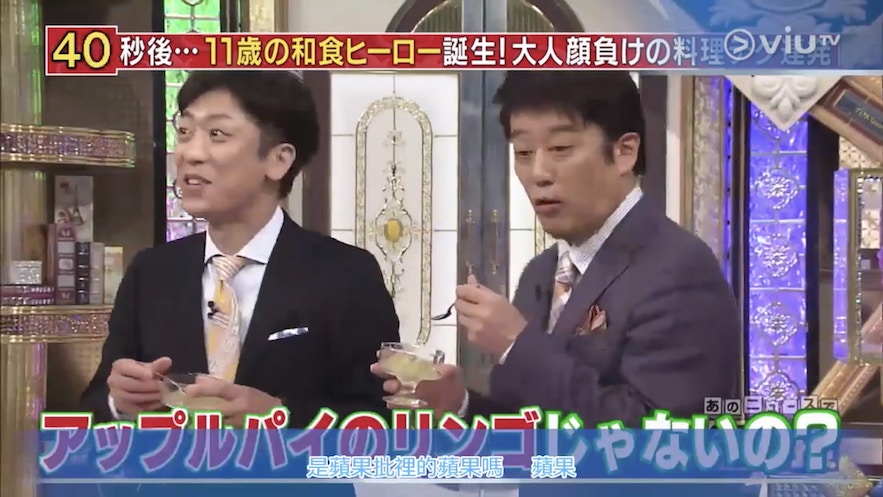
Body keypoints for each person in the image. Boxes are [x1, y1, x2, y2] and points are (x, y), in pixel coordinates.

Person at [374, 70, 741, 428]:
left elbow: (660, 439)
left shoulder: (679, 270)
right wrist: (459, 406)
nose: (539, 173)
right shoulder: (541, 272)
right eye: (523, 152)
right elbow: (527, 422)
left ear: (625, 152)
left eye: (560, 149)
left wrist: (516, 345)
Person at [81, 71, 400, 436]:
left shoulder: (346, 274)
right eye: (184, 132)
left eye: (217, 134)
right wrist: (119, 402)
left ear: (278, 160)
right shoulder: (151, 273)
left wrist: (280, 415)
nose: (189, 153)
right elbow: (93, 405)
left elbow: (383, 417)